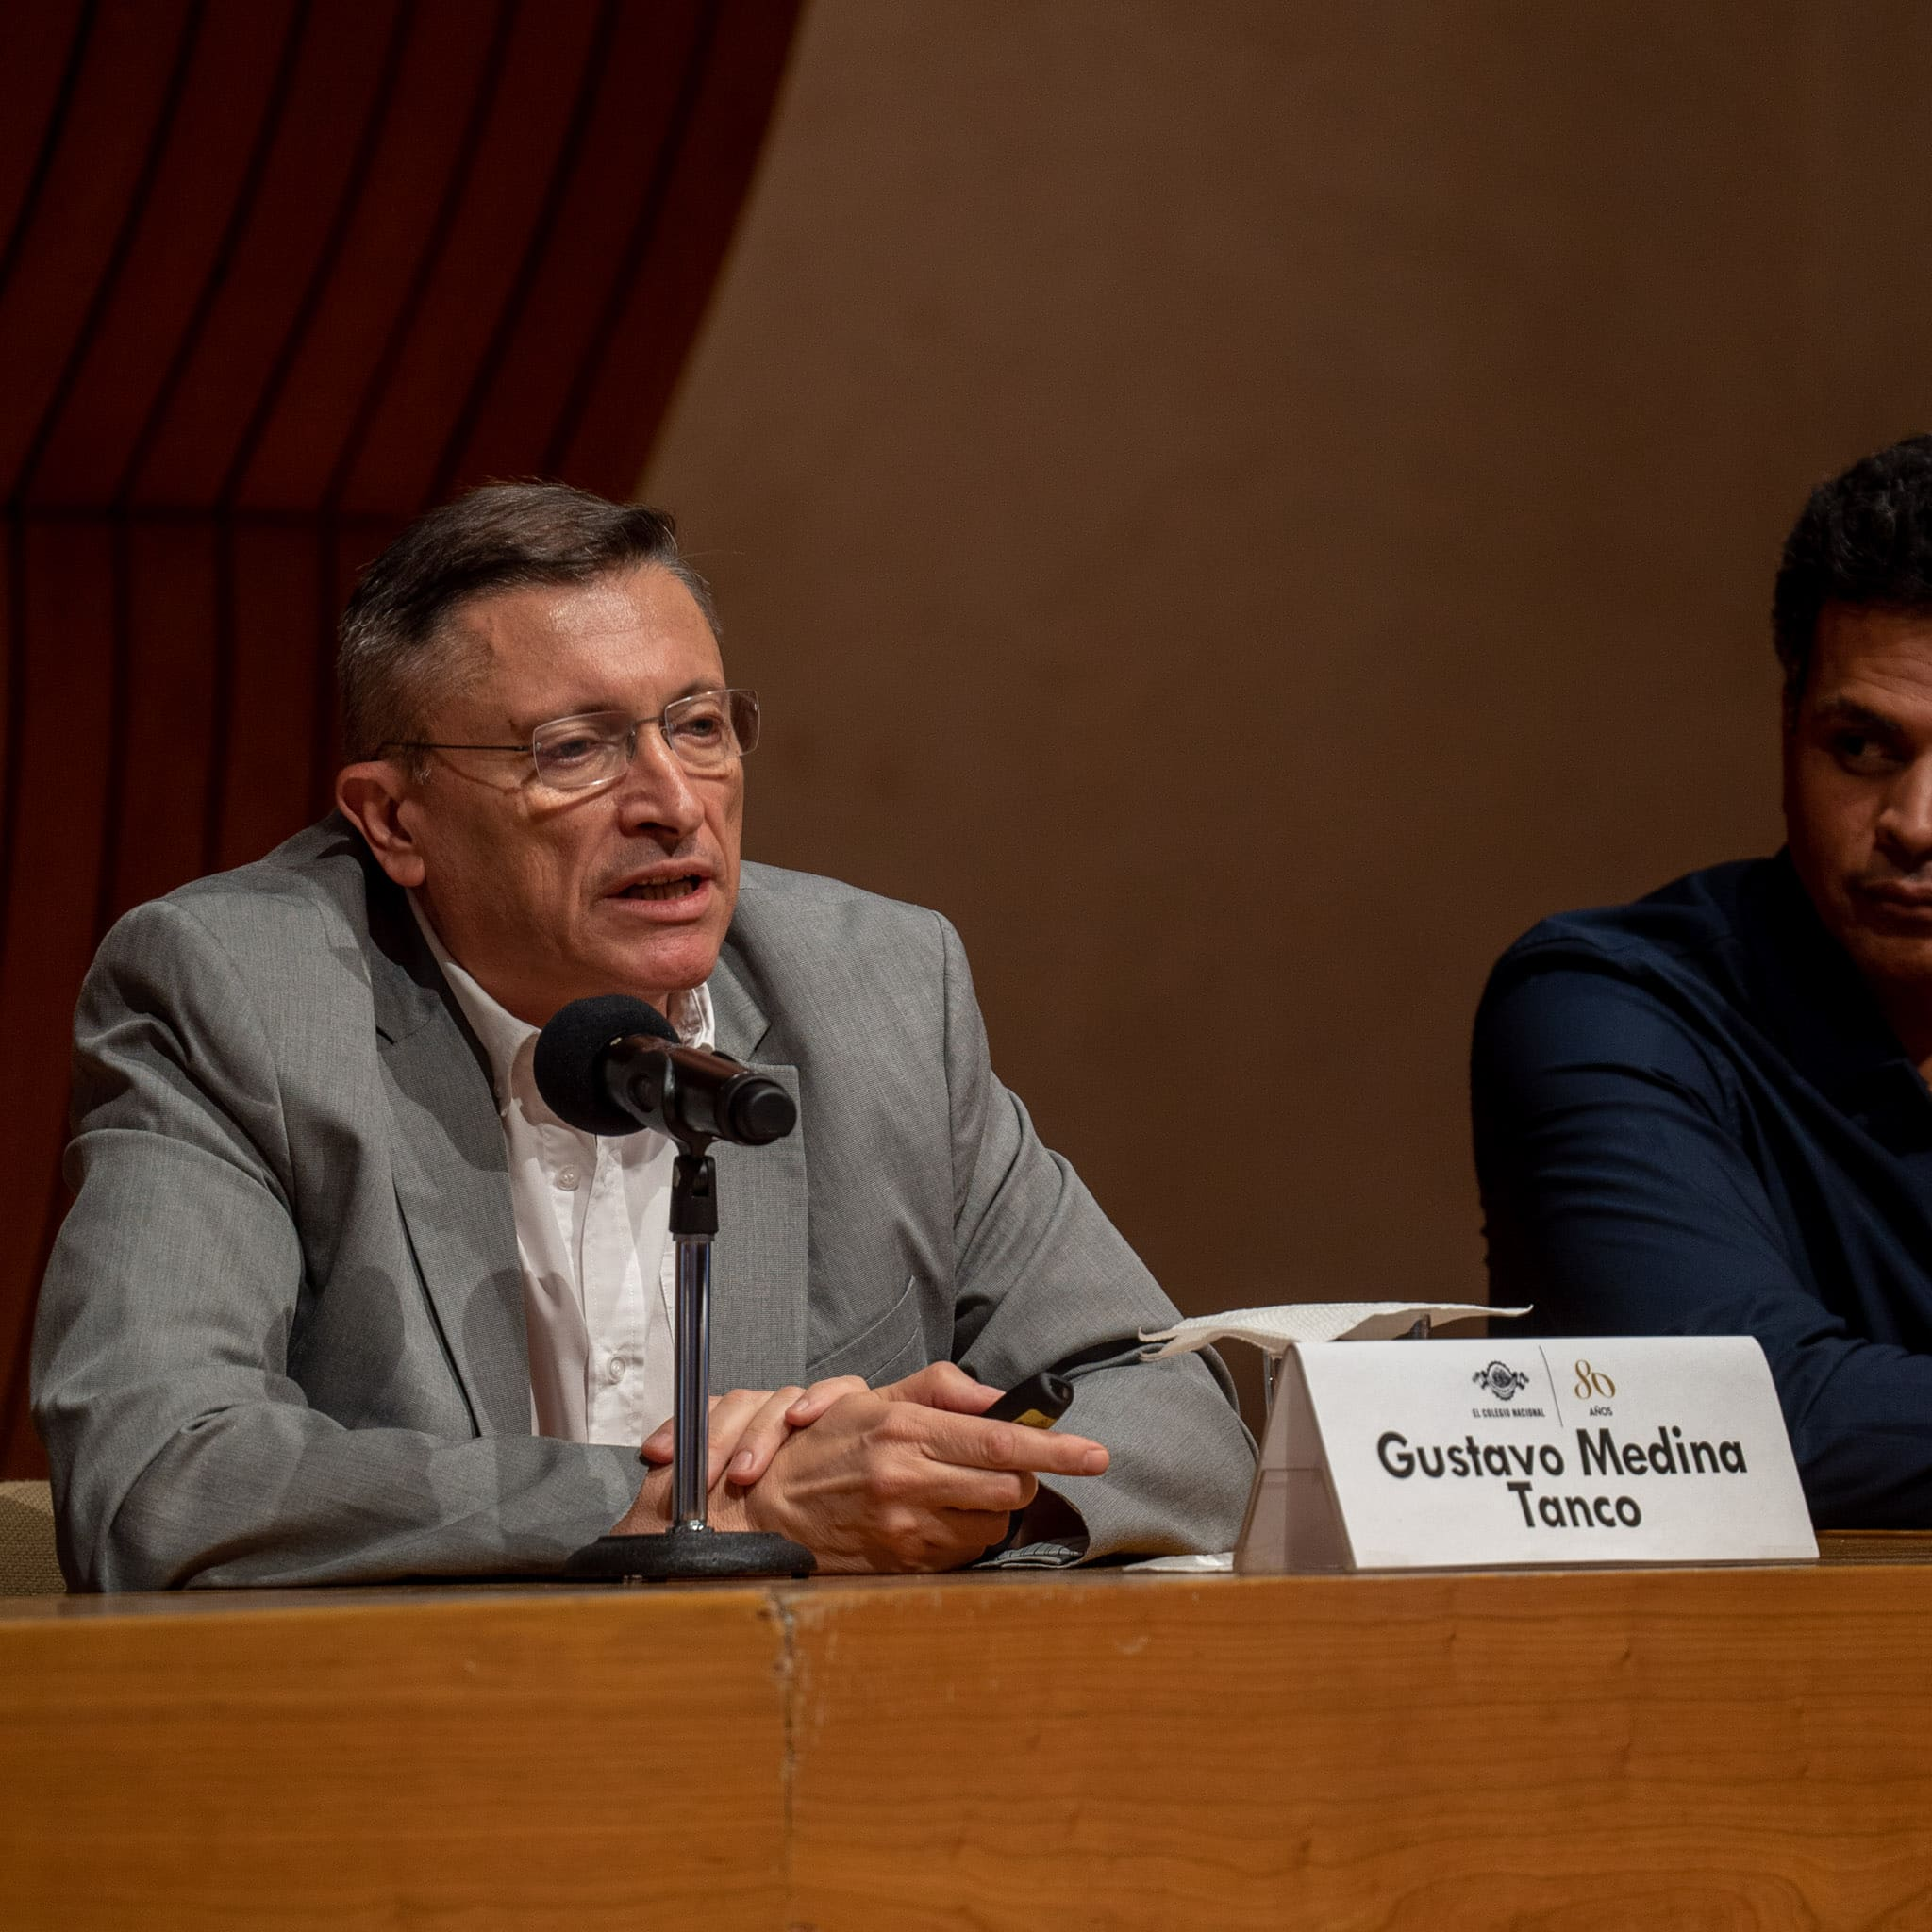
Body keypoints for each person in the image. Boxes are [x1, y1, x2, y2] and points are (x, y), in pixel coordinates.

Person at [32, 484, 1254, 1589]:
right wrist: (701, 1508)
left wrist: (947, 1496)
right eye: (573, 748)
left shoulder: (879, 990)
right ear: (395, 821)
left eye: (700, 726)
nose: (672, 803)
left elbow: (1178, 1420)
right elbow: (160, 1476)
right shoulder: (241, 994)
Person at [1473, 434, 1932, 1528]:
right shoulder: (1608, 1006)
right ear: (1786, 729)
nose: (1913, 823)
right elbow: (1739, 1414)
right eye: (1860, 746)